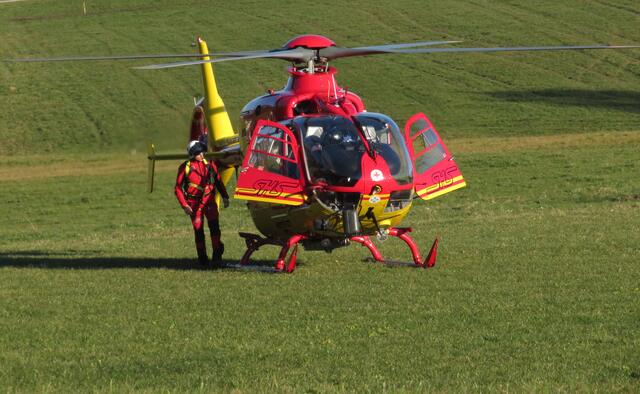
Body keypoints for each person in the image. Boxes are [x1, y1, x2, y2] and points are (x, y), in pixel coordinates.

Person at [175, 141, 230, 268]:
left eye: (202, 151)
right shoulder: (185, 167)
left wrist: (225, 196)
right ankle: (203, 259)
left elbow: (218, 181)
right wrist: (184, 205)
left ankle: (217, 256)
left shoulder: (210, 165)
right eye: (198, 152)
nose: (202, 154)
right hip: (193, 204)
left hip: (209, 201)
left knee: (214, 228)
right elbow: (178, 188)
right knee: (198, 231)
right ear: (192, 154)